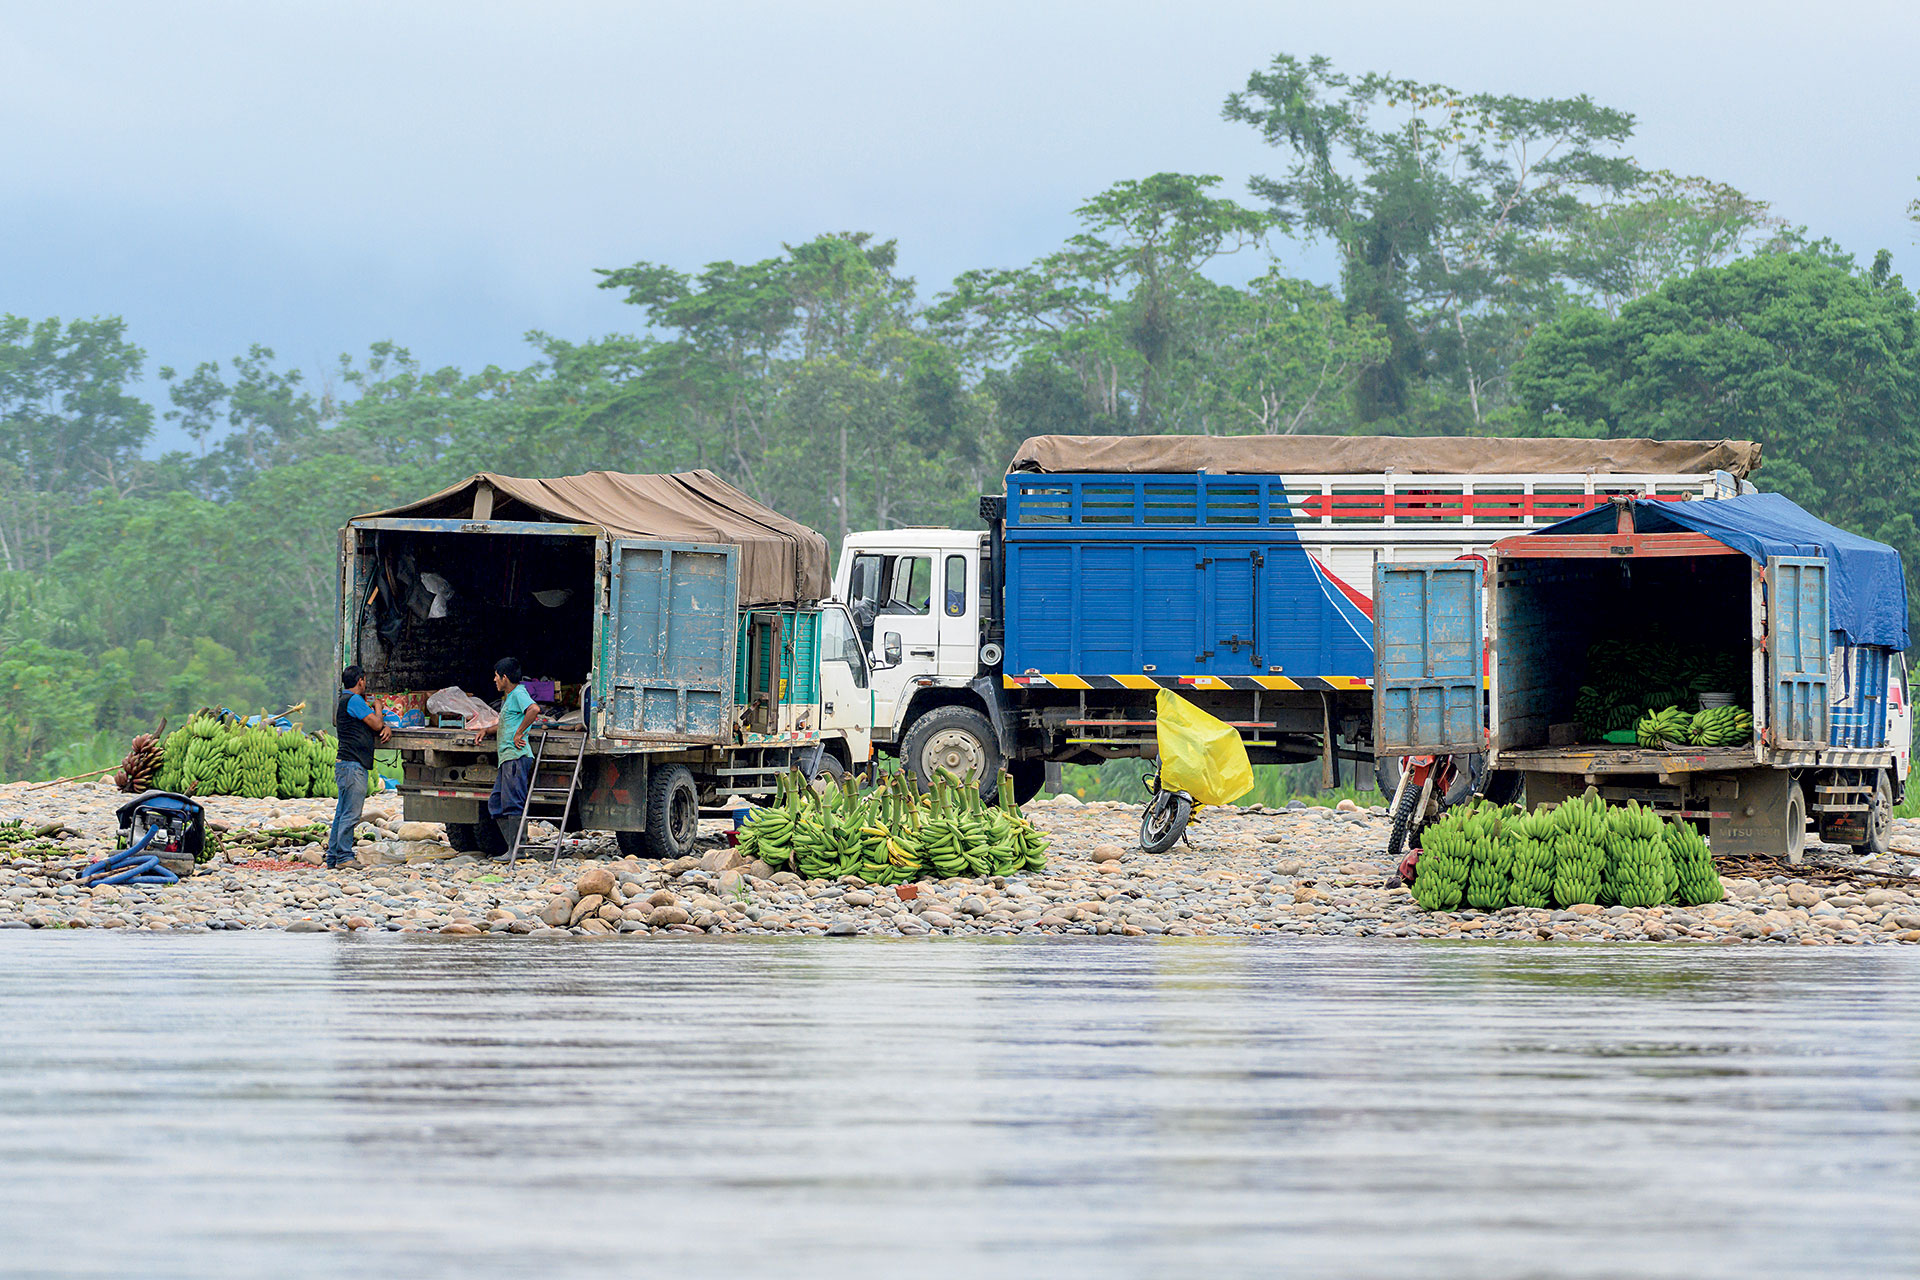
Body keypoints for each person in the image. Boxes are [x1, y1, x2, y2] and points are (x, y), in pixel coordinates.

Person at [474, 657, 542, 853]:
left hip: (516, 756)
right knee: (496, 802)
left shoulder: (519, 693)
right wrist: (486, 730)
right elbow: (507, 723)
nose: (494, 680)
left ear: (504, 677)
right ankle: (513, 847)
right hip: (507, 758)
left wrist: (519, 732)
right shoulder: (510, 697)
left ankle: (517, 849)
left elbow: (534, 709)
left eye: (496, 676)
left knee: (513, 803)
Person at [330, 665, 391, 869]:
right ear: (361, 681)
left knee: (342, 812)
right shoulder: (354, 700)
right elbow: (376, 724)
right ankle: (345, 857)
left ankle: (334, 856)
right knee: (351, 813)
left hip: (346, 764)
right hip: (353, 765)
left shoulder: (344, 700)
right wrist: (379, 708)